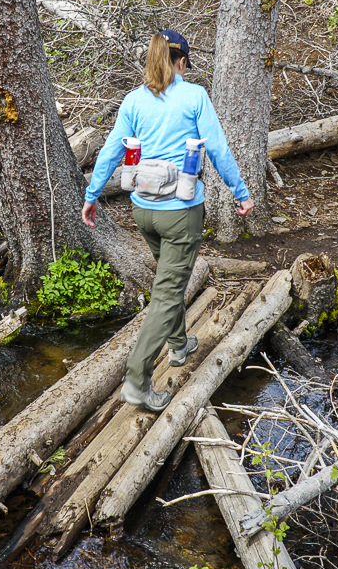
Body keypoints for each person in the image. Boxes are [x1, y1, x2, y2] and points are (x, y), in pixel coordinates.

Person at [82, 30, 254, 412]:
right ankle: (136, 382)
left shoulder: (133, 101)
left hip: (143, 211)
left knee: (168, 279)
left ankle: (178, 346)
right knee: (166, 293)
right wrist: (241, 192)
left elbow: (112, 150)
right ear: (180, 62)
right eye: (186, 64)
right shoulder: (194, 96)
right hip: (181, 214)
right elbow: (219, 149)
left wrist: (92, 195)